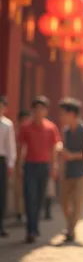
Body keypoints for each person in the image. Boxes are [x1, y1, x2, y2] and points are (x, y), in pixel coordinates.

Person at [18, 96, 62, 243]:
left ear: (45, 111)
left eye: (42, 109)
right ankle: (30, 230)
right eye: (36, 109)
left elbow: (54, 148)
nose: (39, 111)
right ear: (33, 110)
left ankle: (35, 227)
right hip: (30, 166)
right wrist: (19, 166)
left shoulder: (51, 127)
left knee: (39, 199)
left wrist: (54, 166)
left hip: (44, 166)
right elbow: (22, 147)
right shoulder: (26, 127)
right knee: (30, 197)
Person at [58, 97, 83, 242]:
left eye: (63, 113)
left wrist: (73, 156)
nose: (61, 117)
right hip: (68, 172)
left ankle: (70, 231)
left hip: (82, 173)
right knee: (63, 202)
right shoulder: (65, 131)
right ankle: (71, 225)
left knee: (77, 204)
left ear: (71, 114)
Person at [0, 96, 16, 237]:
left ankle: (1, 225)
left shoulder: (7, 124)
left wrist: (10, 163)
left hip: (1, 160)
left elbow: (11, 146)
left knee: (1, 193)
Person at [14, 110, 30, 223]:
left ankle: (26, 212)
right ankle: (19, 212)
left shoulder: (29, 131)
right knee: (18, 190)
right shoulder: (15, 132)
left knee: (28, 191)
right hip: (17, 163)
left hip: (29, 164)